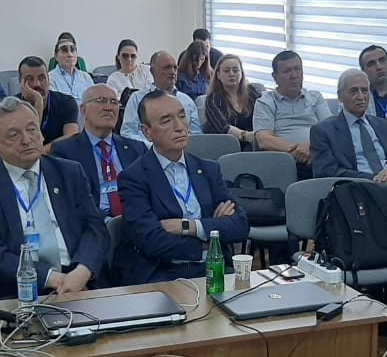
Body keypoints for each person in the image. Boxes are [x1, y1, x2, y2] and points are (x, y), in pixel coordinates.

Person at [0, 97, 109, 301]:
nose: (26, 140)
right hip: (15, 290)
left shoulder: (69, 172)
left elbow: (95, 229)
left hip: (78, 279)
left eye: (32, 130)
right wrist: (50, 278)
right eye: (14, 135)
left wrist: (83, 271)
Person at [117, 89, 248, 285]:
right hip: (163, 273)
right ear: (147, 132)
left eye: (182, 116)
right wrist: (209, 239)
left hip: (214, 269)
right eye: (166, 121)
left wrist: (187, 226)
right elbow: (150, 240)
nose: (179, 127)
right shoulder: (134, 178)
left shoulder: (208, 169)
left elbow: (240, 225)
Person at [51, 83, 147, 219]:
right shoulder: (65, 151)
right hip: (94, 223)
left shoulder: (136, 149)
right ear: (84, 110)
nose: (109, 107)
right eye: (101, 101)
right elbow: (71, 201)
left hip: (137, 219)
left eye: (114, 102)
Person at [253, 50, 332, 179]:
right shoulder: (265, 102)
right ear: (275, 77)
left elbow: (331, 131)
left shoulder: (315, 97)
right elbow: (264, 140)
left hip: (318, 158)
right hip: (284, 162)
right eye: (287, 71)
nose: (294, 75)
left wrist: (310, 146)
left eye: (297, 69)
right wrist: (298, 151)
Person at [310, 69, 387, 181]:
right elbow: (326, 172)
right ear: (340, 96)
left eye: (364, 90)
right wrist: (373, 178)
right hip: (356, 186)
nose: (361, 97)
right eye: (354, 91)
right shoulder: (323, 131)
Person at [120, 51, 202, 145]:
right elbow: (127, 132)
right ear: (152, 71)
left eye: (175, 68)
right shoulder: (137, 98)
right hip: (146, 151)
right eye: (167, 68)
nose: (172, 72)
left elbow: (196, 135)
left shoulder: (186, 100)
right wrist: (154, 147)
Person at [18, 56, 79, 147]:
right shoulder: (11, 108)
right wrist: (38, 103)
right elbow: (29, 142)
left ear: (48, 79)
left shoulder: (66, 102)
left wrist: (41, 152)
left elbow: (71, 138)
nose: (37, 84)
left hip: (58, 155)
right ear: (20, 82)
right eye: (29, 79)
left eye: (41, 78)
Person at [201, 53, 258, 146]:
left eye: (235, 70)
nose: (231, 74)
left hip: (255, 141)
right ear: (218, 75)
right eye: (226, 71)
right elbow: (223, 127)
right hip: (227, 145)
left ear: (241, 73)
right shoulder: (213, 99)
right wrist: (245, 135)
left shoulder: (251, 91)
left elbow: (264, 113)